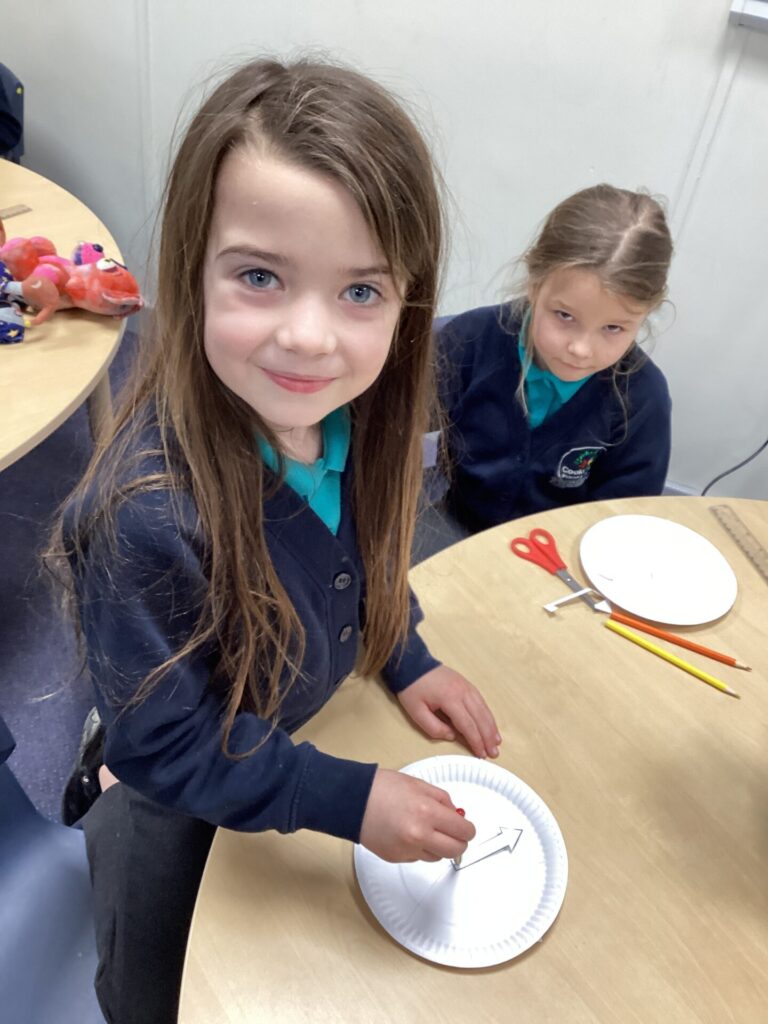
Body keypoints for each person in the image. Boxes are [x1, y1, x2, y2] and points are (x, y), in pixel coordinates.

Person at [48, 58, 501, 1024]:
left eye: (360, 292)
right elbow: (170, 746)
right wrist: (346, 799)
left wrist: (404, 653)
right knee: (158, 997)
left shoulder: (363, 417)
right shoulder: (145, 513)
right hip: (172, 800)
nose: (308, 338)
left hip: (291, 736)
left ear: (408, 303)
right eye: (260, 276)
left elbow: (369, 562)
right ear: (191, 269)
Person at [434, 184, 674, 536]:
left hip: (568, 548)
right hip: (454, 526)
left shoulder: (644, 397)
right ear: (535, 285)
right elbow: (397, 429)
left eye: (613, 328)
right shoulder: (469, 340)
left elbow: (625, 516)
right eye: (564, 315)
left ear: (645, 314)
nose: (581, 348)